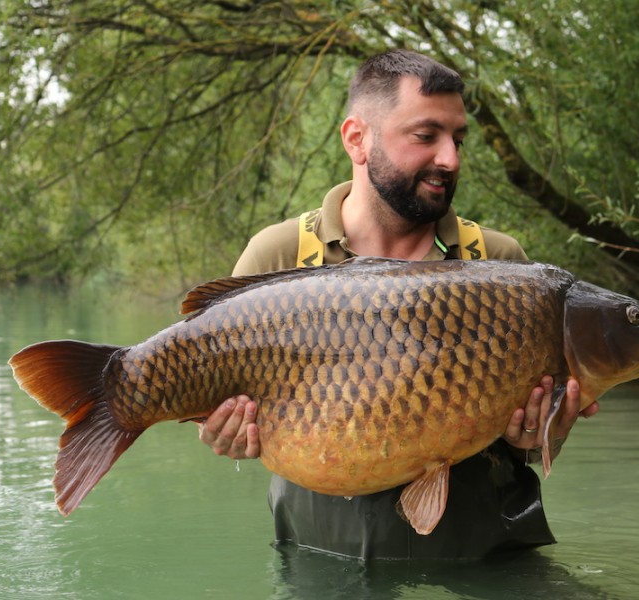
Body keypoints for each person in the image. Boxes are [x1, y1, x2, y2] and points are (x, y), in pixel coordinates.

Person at [199, 49, 599, 559]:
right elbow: (224, 414)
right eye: (426, 136)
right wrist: (226, 436)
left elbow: (535, 440)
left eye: (458, 139)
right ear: (357, 139)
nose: (450, 158)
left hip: (480, 553)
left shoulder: (500, 262)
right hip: (326, 557)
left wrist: (541, 436)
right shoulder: (278, 255)